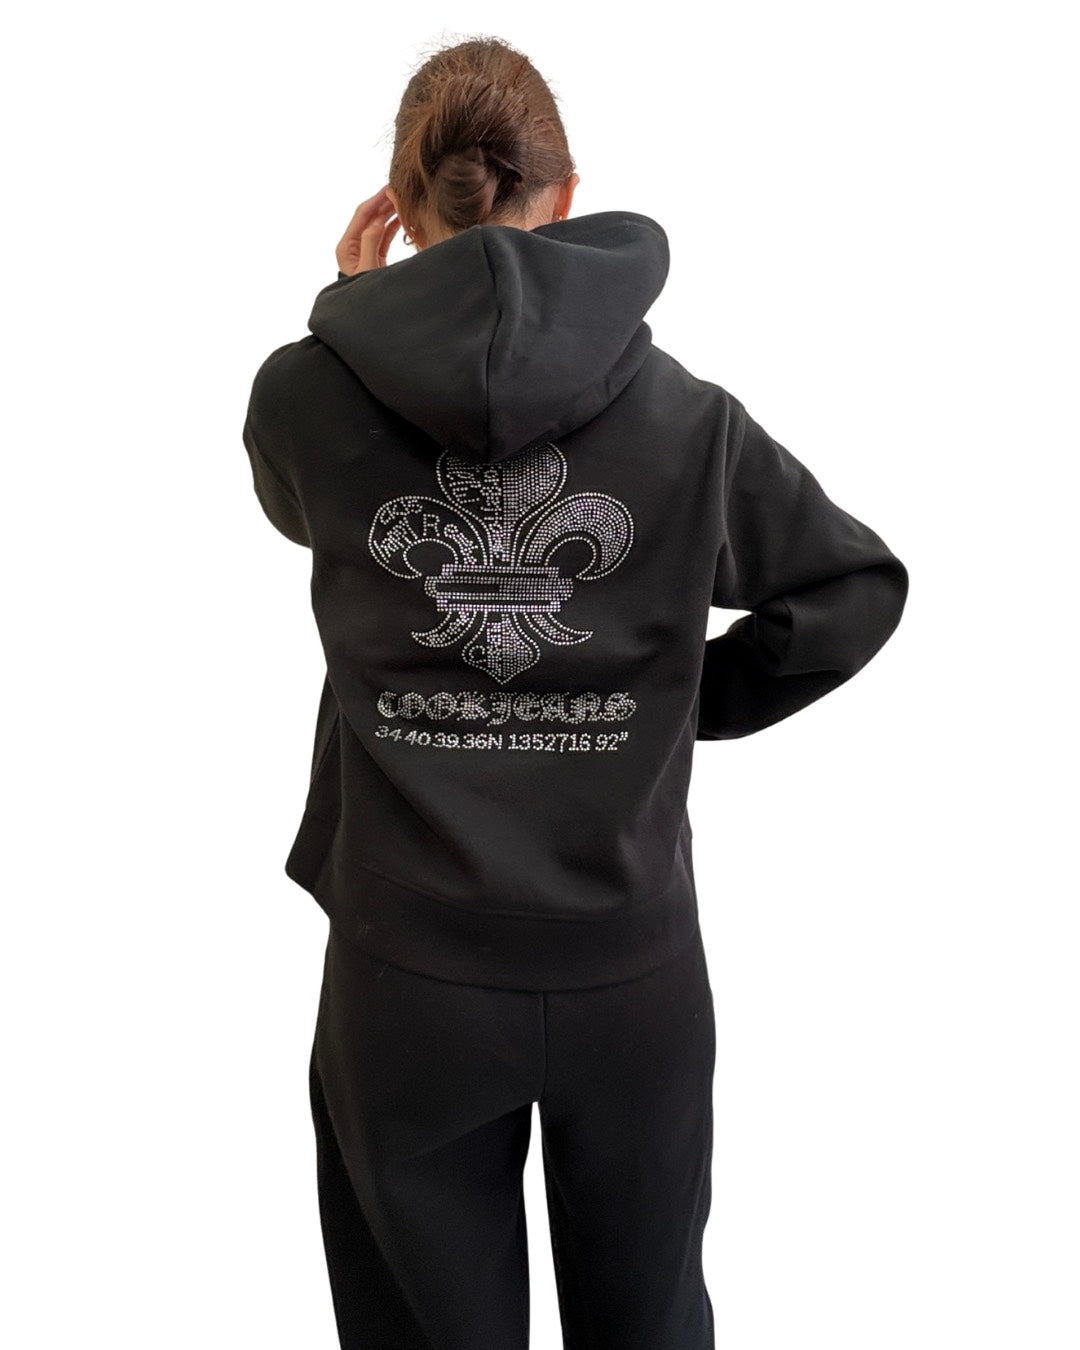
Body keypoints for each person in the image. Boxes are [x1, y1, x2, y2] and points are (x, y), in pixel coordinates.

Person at [240, 34, 909, 1350]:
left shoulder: (303, 398)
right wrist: (672, 699)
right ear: (570, 191)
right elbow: (853, 587)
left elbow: (296, 510)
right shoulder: (689, 420)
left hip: (405, 976)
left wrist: (359, 316)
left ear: (401, 205)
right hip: (629, 970)